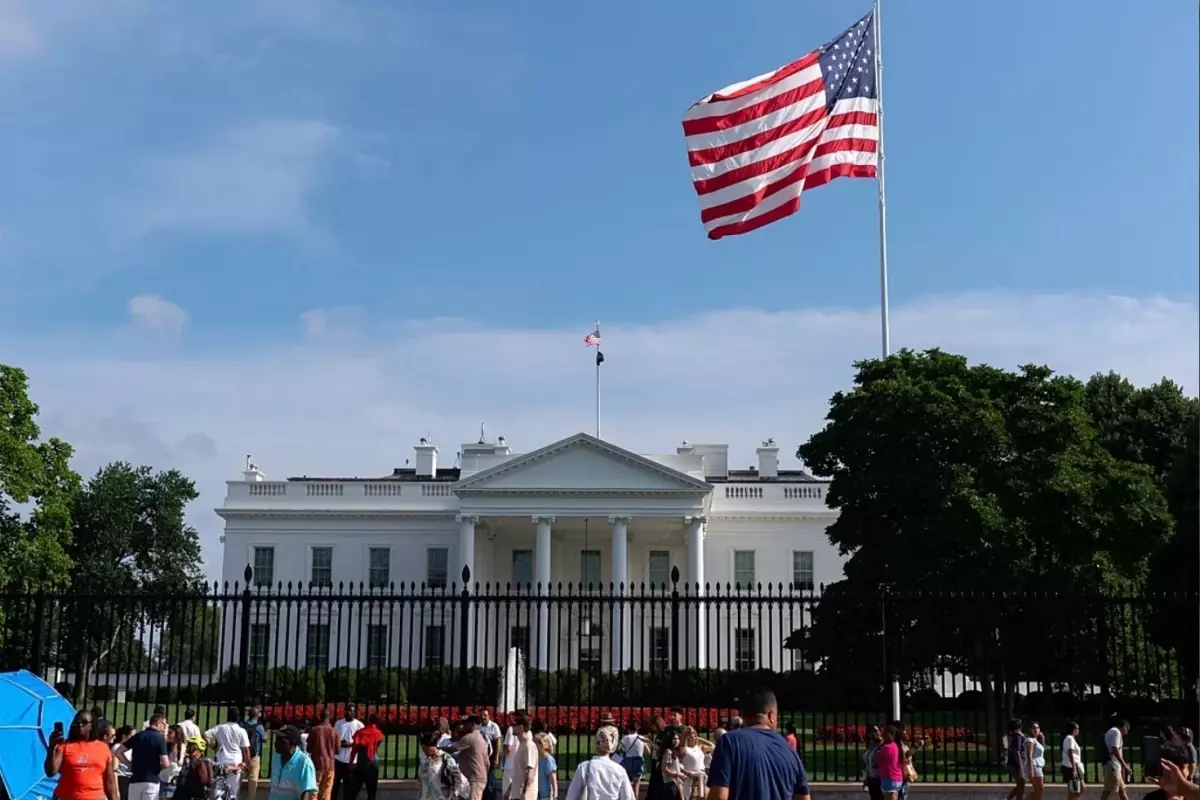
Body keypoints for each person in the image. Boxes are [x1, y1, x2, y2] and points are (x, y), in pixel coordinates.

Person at [45, 710, 119, 800]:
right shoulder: (64, 746)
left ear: (92, 725)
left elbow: (110, 782)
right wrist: (52, 747)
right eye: (77, 722)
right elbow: (50, 772)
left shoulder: (103, 748)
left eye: (84, 722)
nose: (80, 725)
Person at [565, 728, 635, 800]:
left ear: (596, 744)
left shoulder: (584, 767)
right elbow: (627, 797)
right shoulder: (620, 770)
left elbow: (571, 796)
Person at [117, 714, 171, 800]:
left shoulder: (138, 736)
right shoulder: (160, 739)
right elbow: (165, 763)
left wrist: (129, 764)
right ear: (158, 723)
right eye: (164, 724)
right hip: (152, 780)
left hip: (135, 780)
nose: (165, 727)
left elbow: (118, 751)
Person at [205, 708, 251, 800]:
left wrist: (212, 746)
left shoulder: (220, 727)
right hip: (235, 761)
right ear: (238, 717)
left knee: (219, 788)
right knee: (233, 789)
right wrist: (248, 765)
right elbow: (246, 749)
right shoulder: (241, 731)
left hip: (221, 759)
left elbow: (205, 735)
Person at [268, 727, 317, 800]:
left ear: (293, 742)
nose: (275, 743)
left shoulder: (304, 763)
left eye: (281, 740)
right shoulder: (276, 759)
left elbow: (306, 792)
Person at [418, 731, 465, 800]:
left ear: (431, 747)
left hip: (442, 796)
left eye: (425, 749)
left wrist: (455, 793)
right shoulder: (424, 758)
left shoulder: (446, 759)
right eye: (423, 748)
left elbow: (457, 777)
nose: (424, 751)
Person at [349, 715, 385, 800]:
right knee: (371, 793)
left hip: (361, 762)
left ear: (368, 721)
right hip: (373, 763)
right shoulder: (378, 733)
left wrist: (351, 762)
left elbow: (354, 750)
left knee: (353, 792)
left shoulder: (360, 733)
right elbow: (377, 746)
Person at [455, 716, 491, 800]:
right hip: (476, 778)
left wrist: (436, 748)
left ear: (472, 724)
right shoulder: (481, 738)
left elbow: (452, 749)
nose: (464, 727)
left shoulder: (469, 737)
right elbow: (487, 763)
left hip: (474, 779)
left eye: (466, 724)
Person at [333, 706, 364, 800]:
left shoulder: (359, 725)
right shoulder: (338, 723)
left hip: (351, 760)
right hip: (338, 758)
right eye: (347, 710)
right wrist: (340, 743)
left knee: (348, 785)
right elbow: (334, 737)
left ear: (354, 713)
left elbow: (361, 742)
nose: (348, 712)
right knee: (335, 784)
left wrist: (350, 744)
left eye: (351, 711)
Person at [307, 712, 339, 800]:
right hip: (330, 765)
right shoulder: (334, 731)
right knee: (326, 792)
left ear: (320, 717)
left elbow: (308, 749)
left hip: (317, 764)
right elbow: (338, 751)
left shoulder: (314, 730)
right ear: (330, 718)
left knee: (314, 790)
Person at [508, 712, 537, 800]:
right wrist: (509, 790)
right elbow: (518, 772)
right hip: (516, 794)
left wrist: (524, 793)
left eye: (514, 725)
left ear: (521, 727)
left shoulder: (529, 745)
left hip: (524, 796)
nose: (512, 727)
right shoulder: (522, 744)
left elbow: (530, 772)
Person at [617, 724, 651, 797]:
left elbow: (619, 748)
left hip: (628, 761)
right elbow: (648, 752)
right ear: (636, 730)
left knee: (627, 784)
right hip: (638, 761)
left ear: (629, 730)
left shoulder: (626, 738)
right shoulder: (641, 738)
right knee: (636, 785)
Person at [1102, 719, 1132, 800]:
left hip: (1112, 764)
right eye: (1127, 729)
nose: (1126, 732)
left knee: (1122, 791)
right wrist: (1124, 765)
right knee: (1107, 791)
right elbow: (1115, 749)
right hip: (1113, 765)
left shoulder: (1110, 731)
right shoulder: (1116, 732)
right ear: (1124, 727)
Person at [243, 707, 268, 800]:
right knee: (253, 780)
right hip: (254, 756)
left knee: (238, 778)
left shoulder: (243, 725)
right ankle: (251, 797)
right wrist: (266, 731)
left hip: (243, 756)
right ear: (257, 715)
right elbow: (264, 739)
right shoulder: (259, 726)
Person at [875, 725, 904, 800]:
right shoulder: (896, 746)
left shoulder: (886, 748)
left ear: (890, 734)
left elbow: (877, 761)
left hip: (889, 779)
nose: (882, 735)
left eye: (884, 733)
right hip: (897, 778)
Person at [1062, 722, 1086, 800]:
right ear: (1073, 729)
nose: (1078, 730)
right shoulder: (1070, 738)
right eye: (1077, 728)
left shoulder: (1071, 739)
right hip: (1071, 767)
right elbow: (1070, 753)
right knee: (1076, 789)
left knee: (1076, 789)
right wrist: (1074, 769)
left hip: (1072, 766)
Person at [1025, 722, 1046, 800]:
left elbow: (1041, 751)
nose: (1036, 730)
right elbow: (1029, 756)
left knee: (1038, 790)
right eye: (1034, 728)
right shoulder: (1030, 740)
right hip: (1034, 766)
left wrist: (1042, 739)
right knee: (1039, 789)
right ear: (1030, 730)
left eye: (1037, 728)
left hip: (1039, 766)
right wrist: (1031, 771)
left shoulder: (1036, 741)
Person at [1006, 719, 1027, 800]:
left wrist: (1023, 735)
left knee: (1020, 786)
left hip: (1014, 763)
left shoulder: (1014, 735)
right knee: (1021, 787)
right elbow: (1017, 752)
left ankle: (1008, 798)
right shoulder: (1017, 736)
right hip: (1017, 764)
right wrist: (1021, 767)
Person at [863, 725, 883, 800]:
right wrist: (865, 780)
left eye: (877, 730)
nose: (876, 733)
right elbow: (866, 766)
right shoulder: (871, 747)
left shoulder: (883, 746)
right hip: (871, 779)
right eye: (873, 731)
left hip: (880, 779)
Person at [534, 733, 558, 800]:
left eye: (535, 743)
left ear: (541, 745)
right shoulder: (537, 758)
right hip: (537, 795)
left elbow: (553, 780)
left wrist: (554, 795)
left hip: (546, 797)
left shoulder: (548, 760)